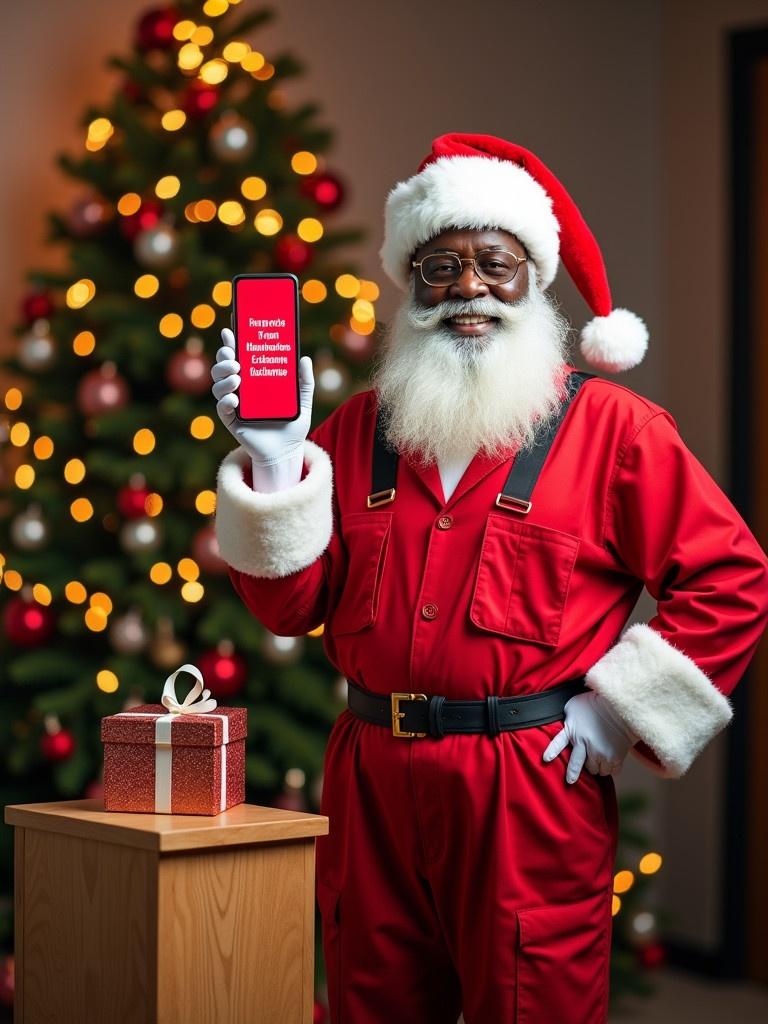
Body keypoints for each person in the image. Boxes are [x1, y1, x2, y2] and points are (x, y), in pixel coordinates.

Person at [210, 133, 768, 1023]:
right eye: (439, 267)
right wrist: (275, 467)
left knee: (530, 1003)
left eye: (494, 265)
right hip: (371, 781)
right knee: (373, 1000)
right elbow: (291, 608)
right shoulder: (355, 432)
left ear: (533, 282)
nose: (467, 288)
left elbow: (730, 578)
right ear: (410, 283)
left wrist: (619, 708)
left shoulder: (617, 430)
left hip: (529, 786)